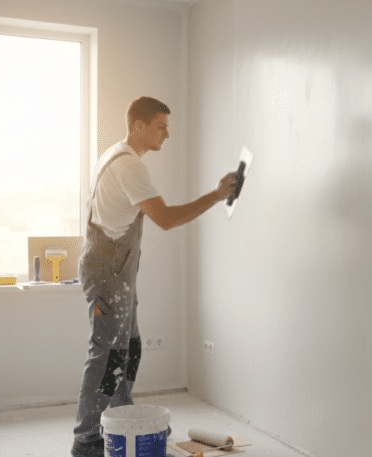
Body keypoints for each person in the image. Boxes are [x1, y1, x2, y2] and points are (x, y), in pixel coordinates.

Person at [72, 96, 237, 456]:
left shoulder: (117, 155)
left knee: (128, 348)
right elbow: (166, 219)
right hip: (107, 275)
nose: (167, 134)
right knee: (107, 354)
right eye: (161, 127)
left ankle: (123, 418)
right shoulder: (129, 166)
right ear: (138, 126)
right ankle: (86, 439)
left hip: (116, 272)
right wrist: (216, 195)